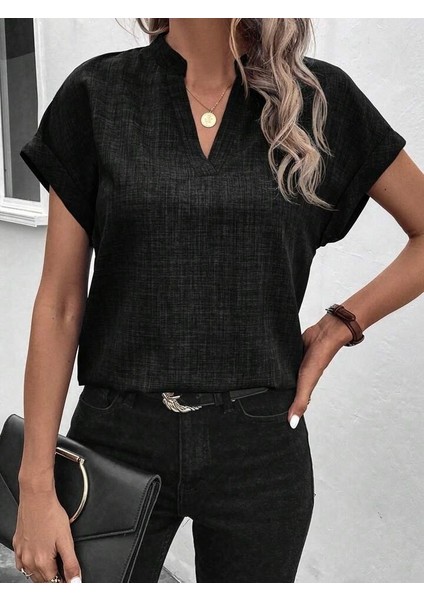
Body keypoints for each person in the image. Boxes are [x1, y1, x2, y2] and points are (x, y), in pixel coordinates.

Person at [12, 18, 423, 583]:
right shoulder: (98, 95)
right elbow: (60, 303)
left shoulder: (320, 101)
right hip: (116, 435)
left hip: (260, 447)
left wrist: (339, 326)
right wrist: (35, 483)